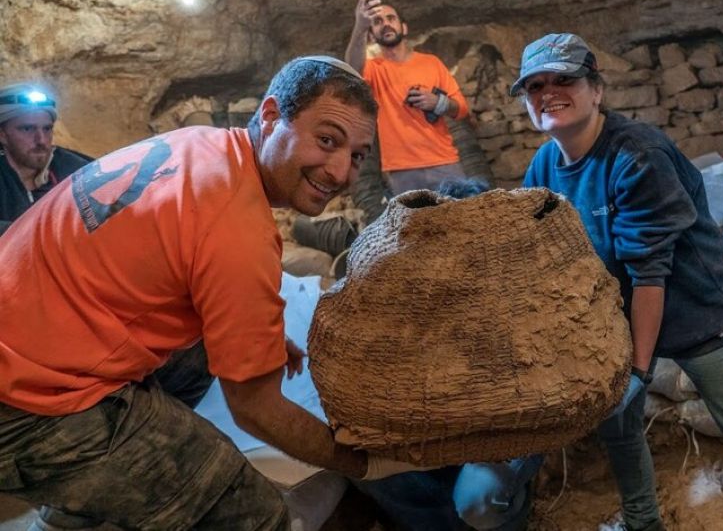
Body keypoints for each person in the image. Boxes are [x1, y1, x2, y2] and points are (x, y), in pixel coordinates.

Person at [0, 55, 427, 531]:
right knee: (253, 515)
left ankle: (79, 503)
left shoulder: (199, 144)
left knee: (204, 354)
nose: (340, 171)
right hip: (25, 403)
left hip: (29, 328)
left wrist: (245, 334)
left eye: (357, 155)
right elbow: (256, 410)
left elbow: (163, 255)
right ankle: (76, 490)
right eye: (326, 140)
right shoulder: (238, 227)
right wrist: (367, 464)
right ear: (269, 116)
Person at [514, 33, 723, 531]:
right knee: (621, 434)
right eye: (535, 86)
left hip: (695, 311)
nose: (548, 92)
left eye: (565, 80)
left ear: (596, 90)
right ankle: (645, 523)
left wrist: (639, 374)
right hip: (615, 320)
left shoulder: (635, 156)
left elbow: (650, 275)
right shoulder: (544, 166)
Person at [349, 178, 543, 531]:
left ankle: (508, 515)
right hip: (441, 422)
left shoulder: (522, 290)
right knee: (369, 467)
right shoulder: (415, 290)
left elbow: (529, 395)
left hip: (508, 426)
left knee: (479, 494)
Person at [345, 0, 470, 196]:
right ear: (371, 35)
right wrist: (359, 26)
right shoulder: (373, 69)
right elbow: (351, 71)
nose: (385, 24)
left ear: (404, 27)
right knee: (416, 228)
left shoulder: (431, 63)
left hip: (444, 162)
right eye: (377, 21)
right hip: (401, 171)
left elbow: (462, 110)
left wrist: (438, 103)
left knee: (463, 224)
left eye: (391, 18)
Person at [0, 83, 93, 236]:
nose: (41, 140)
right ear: (2, 134)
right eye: (27, 129)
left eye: (47, 129)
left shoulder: (77, 171)